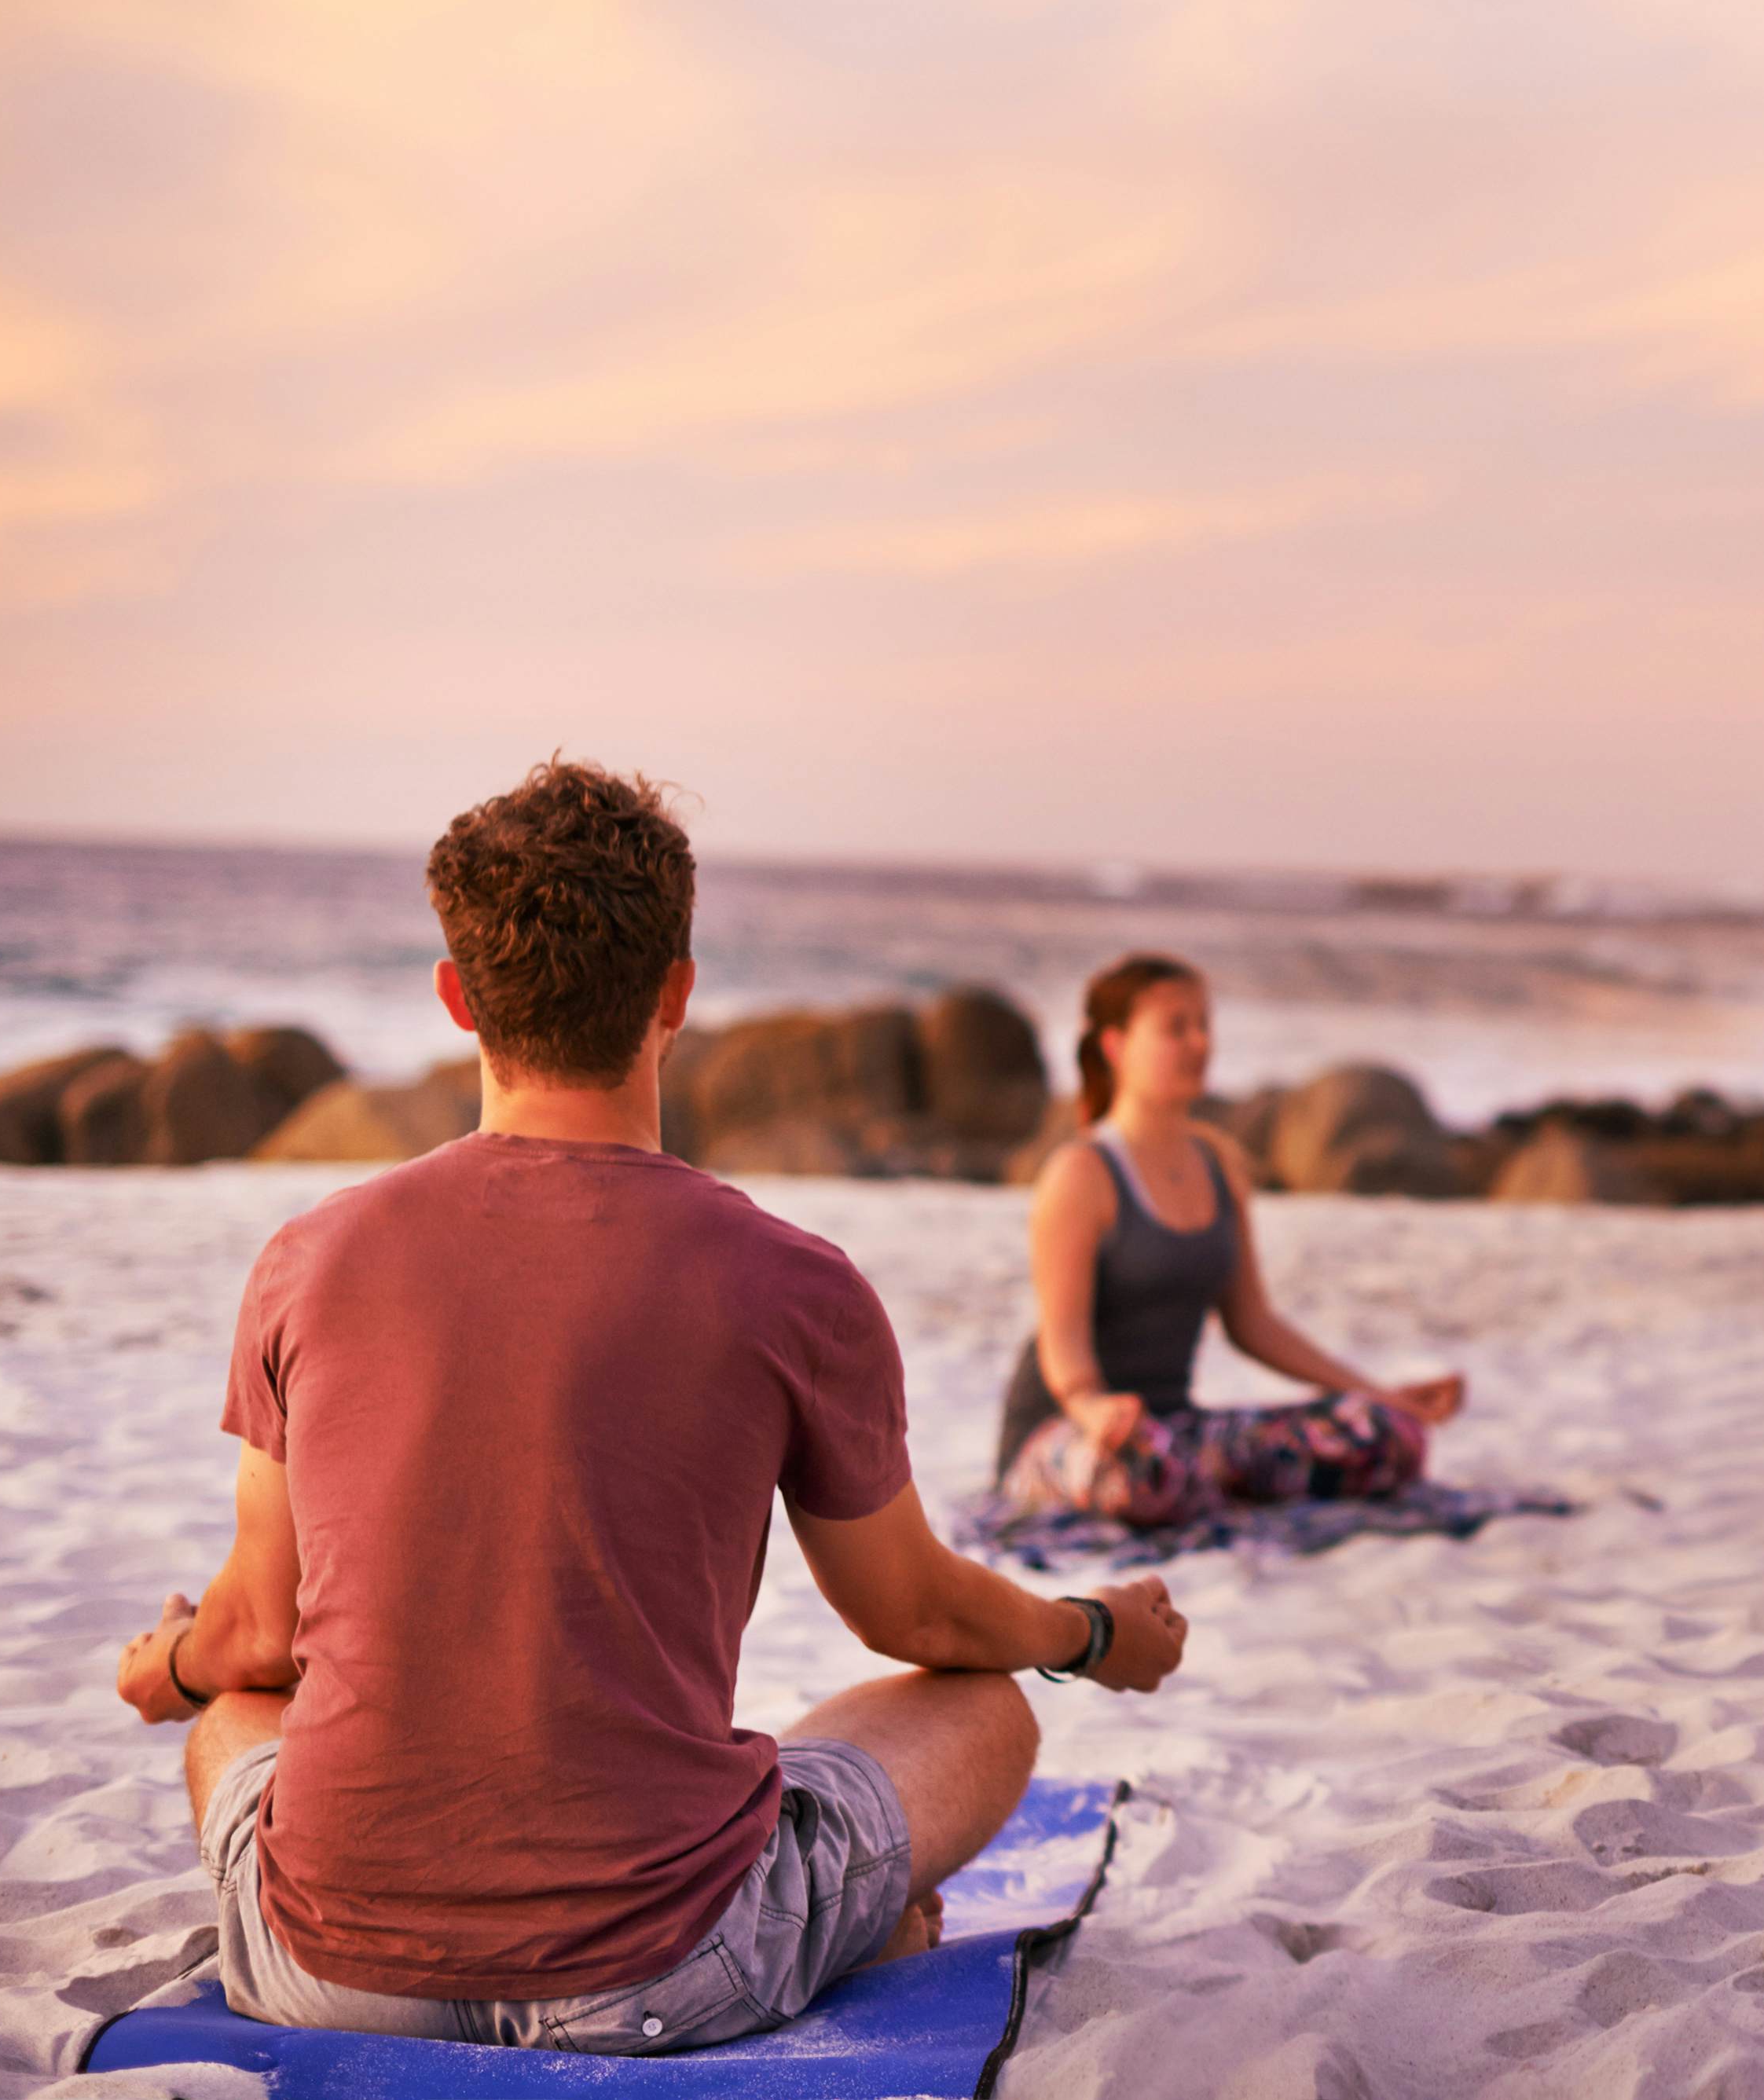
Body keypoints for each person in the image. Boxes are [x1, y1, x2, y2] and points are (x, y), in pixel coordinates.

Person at [108, 760, 1190, 2054]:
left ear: (456, 997)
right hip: (667, 1974)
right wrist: (1086, 1629)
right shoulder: (794, 1280)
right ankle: (839, 1925)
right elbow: (916, 1613)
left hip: (328, 1970)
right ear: (677, 991)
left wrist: (165, 1666)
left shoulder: (311, 1256)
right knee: (989, 1706)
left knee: (238, 1719)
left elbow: (254, 1639)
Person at [996, 954, 1465, 1521]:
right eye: (1176, 1027)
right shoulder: (1081, 1172)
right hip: (1069, 1431)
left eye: (1204, 1024)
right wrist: (1092, 1406)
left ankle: (1209, 1483)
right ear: (1117, 1046)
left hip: (1178, 1430)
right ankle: (1203, 1485)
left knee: (1390, 1436)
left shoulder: (1218, 1162)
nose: (1198, 1042)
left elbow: (1252, 1322)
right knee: (1146, 1473)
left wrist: (1377, 1394)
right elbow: (1060, 1338)